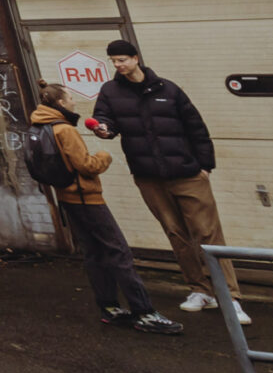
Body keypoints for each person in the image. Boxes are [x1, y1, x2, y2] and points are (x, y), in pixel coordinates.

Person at [90, 39, 250, 324]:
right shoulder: (110, 91)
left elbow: (196, 127)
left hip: (187, 174)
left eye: (123, 59)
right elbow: (105, 120)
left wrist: (205, 166)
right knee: (176, 234)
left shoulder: (168, 89)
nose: (118, 65)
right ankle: (200, 291)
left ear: (136, 58)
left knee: (207, 233)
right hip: (149, 177)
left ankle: (230, 298)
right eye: (113, 61)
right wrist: (103, 129)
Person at [27, 82, 182, 334]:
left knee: (95, 254)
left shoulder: (39, 125)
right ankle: (144, 312)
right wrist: (104, 157)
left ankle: (109, 307)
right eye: (70, 98)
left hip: (67, 197)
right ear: (60, 104)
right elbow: (86, 165)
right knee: (119, 252)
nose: (74, 102)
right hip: (87, 198)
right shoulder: (64, 129)